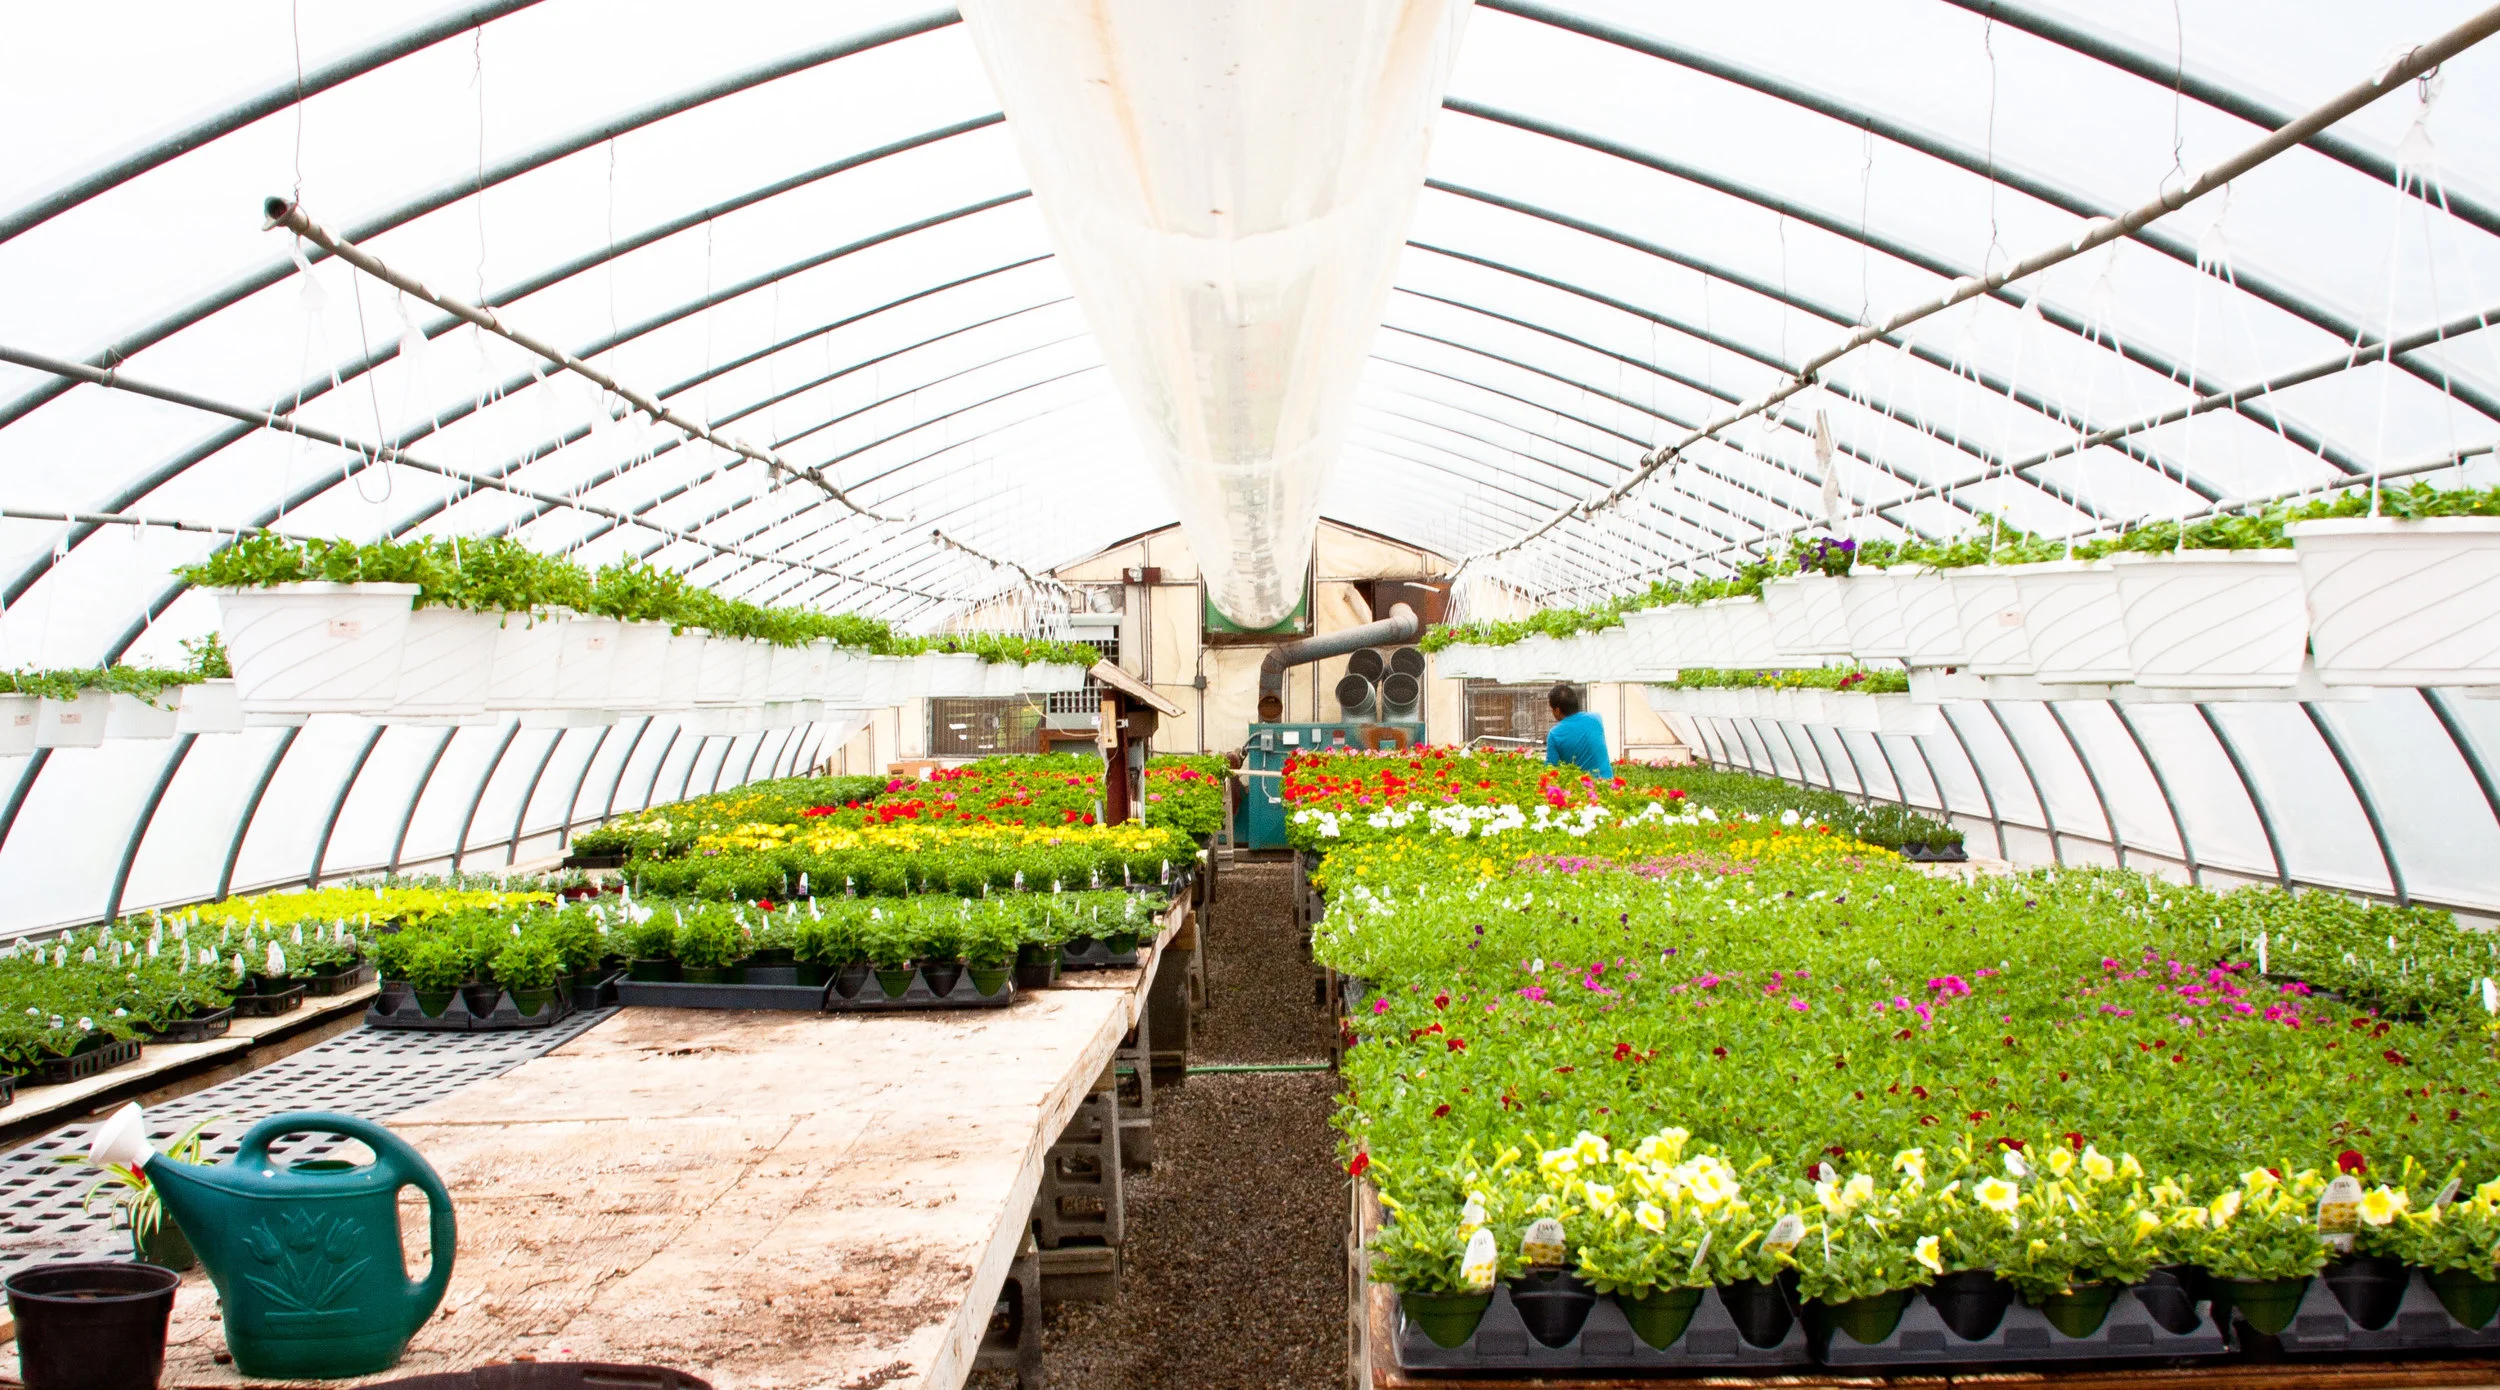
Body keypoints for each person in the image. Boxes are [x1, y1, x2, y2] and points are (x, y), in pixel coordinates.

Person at [1543, 683, 1613, 780]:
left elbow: (1551, 769)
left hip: (1583, 790)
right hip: (1609, 786)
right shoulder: (1596, 718)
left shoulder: (1555, 734)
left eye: (1552, 709)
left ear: (1557, 710)